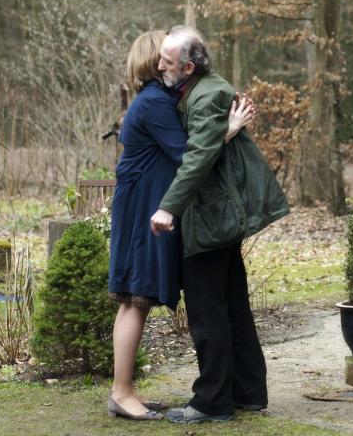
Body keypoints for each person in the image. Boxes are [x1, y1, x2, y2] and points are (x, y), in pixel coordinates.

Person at [107, 30, 253, 421]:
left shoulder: (163, 99)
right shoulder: (155, 102)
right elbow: (191, 153)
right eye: (162, 58)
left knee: (136, 301)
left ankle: (124, 390)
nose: (164, 64)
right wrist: (229, 131)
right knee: (134, 300)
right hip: (142, 209)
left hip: (147, 203)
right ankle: (122, 393)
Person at [150, 26, 290, 425]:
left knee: (208, 312)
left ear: (188, 66)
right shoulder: (203, 89)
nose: (160, 66)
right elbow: (210, 144)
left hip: (210, 220)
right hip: (218, 219)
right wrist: (226, 132)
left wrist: (168, 209)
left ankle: (212, 402)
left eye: (168, 61)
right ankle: (247, 392)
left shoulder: (208, 94)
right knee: (232, 306)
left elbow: (198, 157)